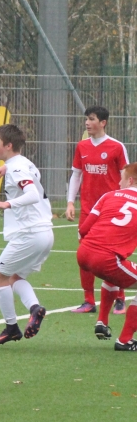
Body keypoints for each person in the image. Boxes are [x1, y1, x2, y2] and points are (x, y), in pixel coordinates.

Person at [0, 124, 53, 345]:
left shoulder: (17, 169)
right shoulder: (25, 163)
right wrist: (5, 168)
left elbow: (32, 194)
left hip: (30, 234)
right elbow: (29, 176)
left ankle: (11, 327)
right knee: (14, 278)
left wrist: (7, 203)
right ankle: (35, 309)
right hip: (44, 233)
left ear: (8, 146)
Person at [66, 106, 129, 314]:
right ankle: (88, 301)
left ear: (103, 122)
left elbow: (127, 177)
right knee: (85, 254)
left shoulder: (116, 147)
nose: (87, 122)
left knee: (111, 254)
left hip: (111, 211)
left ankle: (120, 297)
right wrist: (70, 202)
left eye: (92, 119)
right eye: (86, 119)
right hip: (88, 210)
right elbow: (76, 175)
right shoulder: (82, 146)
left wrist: (124, 201)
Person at [77, 163, 137, 350]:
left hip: (84, 253)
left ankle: (102, 322)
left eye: (121, 179)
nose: (119, 183)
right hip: (106, 258)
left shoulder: (108, 195)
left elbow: (83, 230)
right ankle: (125, 340)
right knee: (114, 267)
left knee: (114, 273)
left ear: (130, 181)